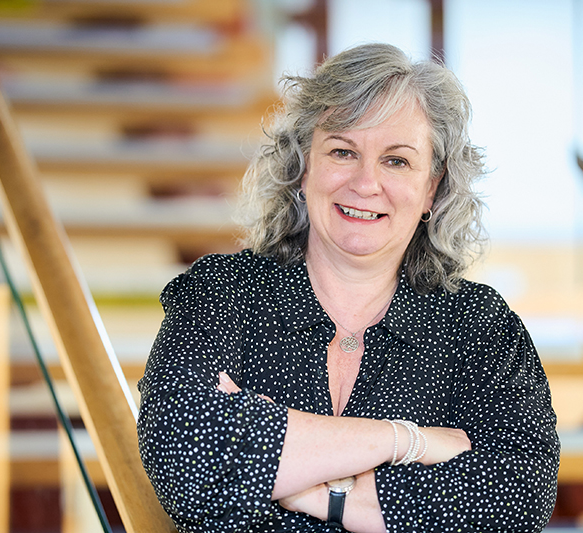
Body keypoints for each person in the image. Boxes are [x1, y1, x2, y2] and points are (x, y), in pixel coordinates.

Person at [137, 42, 559, 532]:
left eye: (397, 161)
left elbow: (518, 497)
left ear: (431, 189)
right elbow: (183, 458)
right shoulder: (222, 293)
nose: (365, 183)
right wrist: (404, 441)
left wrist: (313, 489)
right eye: (342, 151)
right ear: (303, 167)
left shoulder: (478, 326)